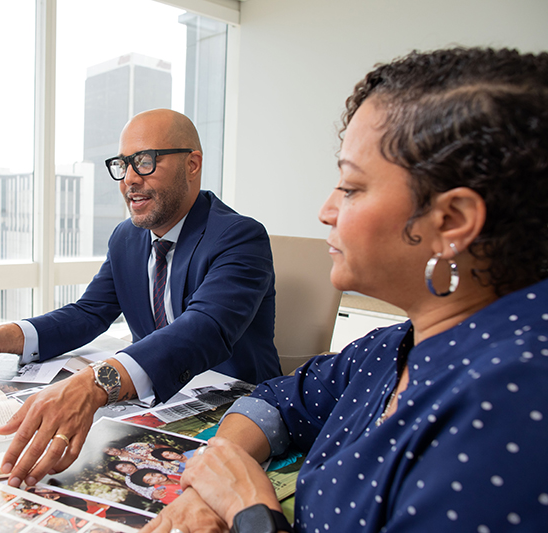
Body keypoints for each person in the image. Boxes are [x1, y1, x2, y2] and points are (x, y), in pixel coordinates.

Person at [143, 47, 548, 532]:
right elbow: (279, 398)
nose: (326, 211)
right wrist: (220, 471)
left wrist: (248, 508)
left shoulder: (514, 407)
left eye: (351, 188)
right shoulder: (394, 346)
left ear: (452, 221)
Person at [0, 109, 281, 488]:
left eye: (145, 161)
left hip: (235, 408)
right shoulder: (127, 237)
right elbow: (89, 312)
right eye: (123, 165)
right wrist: (0, 338)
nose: (130, 180)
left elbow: (204, 328)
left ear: (192, 164)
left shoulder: (240, 236)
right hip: (158, 401)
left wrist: (94, 383)